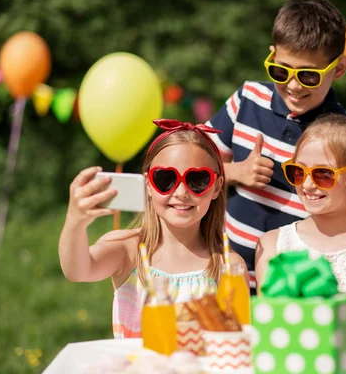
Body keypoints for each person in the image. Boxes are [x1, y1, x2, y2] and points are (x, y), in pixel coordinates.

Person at [206, 0, 346, 292]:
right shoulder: (246, 99)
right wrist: (235, 172)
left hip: (296, 286)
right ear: (271, 56)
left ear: (339, 68)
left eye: (309, 75)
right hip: (224, 276)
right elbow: (194, 165)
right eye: (281, 71)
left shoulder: (342, 132)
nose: (294, 86)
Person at [58, 119, 247, 338]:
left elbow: (235, 342)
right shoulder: (128, 250)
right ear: (148, 184)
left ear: (216, 187)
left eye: (197, 179)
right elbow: (77, 270)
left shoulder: (228, 266)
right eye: (166, 178)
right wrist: (75, 222)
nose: (181, 192)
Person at [255, 115, 346, 307]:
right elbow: (270, 321)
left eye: (324, 174)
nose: (307, 185)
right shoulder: (272, 245)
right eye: (298, 172)